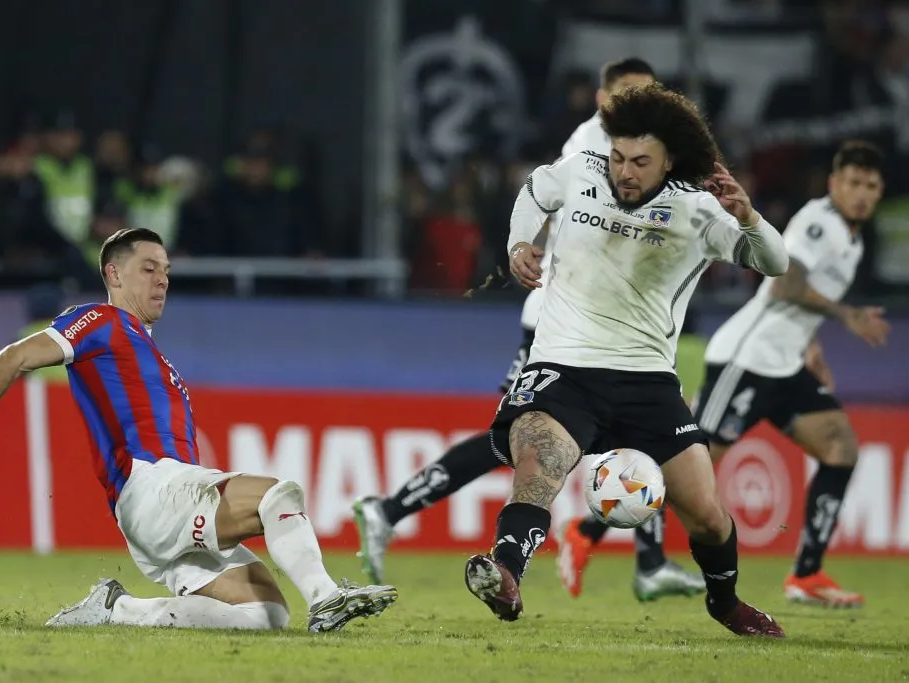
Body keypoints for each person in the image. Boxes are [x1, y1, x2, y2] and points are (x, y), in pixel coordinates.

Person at [352, 57, 704, 602]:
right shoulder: (593, 143)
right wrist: (523, 246)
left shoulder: (646, 151)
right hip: (560, 327)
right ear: (602, 99)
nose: (638, 107)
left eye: (646, 94)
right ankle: (390, 509)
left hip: (612, 331)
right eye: (626, 95)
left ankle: (648, 560)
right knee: (514, 442)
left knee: (608, 434)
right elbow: (551, 201)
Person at [0, 228, 397, 632]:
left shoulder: (146, 350)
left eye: (166, 269)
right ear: (114, 274)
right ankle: (326, 598)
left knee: (264, 614)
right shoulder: (100, 321)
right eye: (148, 268)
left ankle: (117, 609)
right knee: (278, 494)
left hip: (161, 505)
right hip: (152, 487)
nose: (163, 279)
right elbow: (10, 357)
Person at [464, 83, 789, 637]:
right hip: (563, 365)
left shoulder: (697, 210)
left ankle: (726, 603)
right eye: (618, 157)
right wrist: (519, 245)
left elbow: (774, 262)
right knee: (539, 464)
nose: (624, 172)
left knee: (708, 515)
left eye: (641, 162)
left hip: (647, 379)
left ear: (669, 162)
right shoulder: (581, 169)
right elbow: (534, 192)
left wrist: (749, 216)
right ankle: (506, 573)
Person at [694, 140, 889, 608]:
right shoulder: (820, 223)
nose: (862, 193)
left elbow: (797, 305)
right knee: (694, 465)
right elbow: (784, 287)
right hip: (747, 359)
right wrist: (847, 316)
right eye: (854, 183)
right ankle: (590, 527)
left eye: (871, 186)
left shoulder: (852, 236)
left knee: (840, 448)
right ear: (834, 184)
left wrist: (811, 344)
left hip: (785, 364)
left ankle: (807, 574)